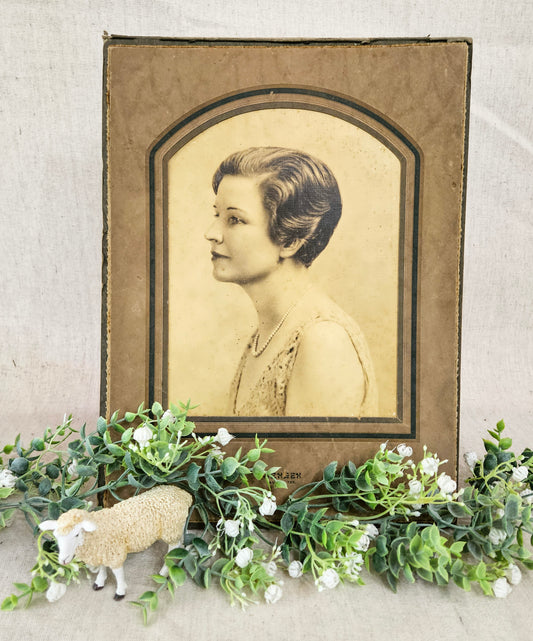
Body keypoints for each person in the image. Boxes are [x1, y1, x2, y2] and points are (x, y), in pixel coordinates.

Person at [204, 147, 378, 417]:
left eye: (235, 219)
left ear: (289, 241)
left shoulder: (322, 341)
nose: (212, 234)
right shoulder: (266, 333)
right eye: (217, 215)